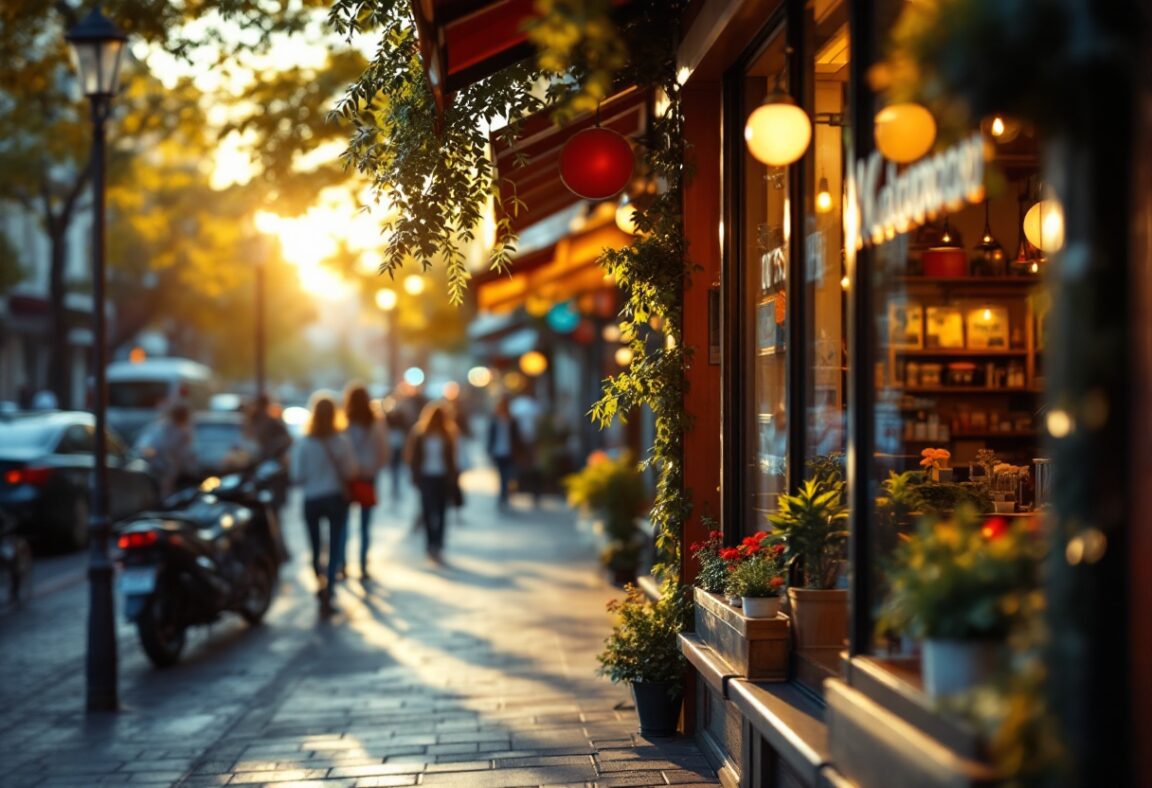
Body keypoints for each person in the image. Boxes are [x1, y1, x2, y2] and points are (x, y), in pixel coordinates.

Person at [290, 394, 357, 616]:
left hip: (312, 499)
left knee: (315, 546)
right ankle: (329, 587)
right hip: (335, 497)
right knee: (335, 545)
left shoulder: (304, 443)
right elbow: (350, 471)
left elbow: (297, 476)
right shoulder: (341, 441)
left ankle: (319, 583)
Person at [340, 384, 391, 580]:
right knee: (365, 524)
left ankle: (342, 564)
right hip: (368, 477)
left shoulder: (344, 423)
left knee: (343, 523)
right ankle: (362, 564)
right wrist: (374, 468)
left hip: (348, 478)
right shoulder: (376, 423)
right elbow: (383, 451)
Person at [404, 401, 459, 562]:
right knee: (428, 511)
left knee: (441, 512)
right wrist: (415, 475)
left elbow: (452, 459)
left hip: (442, 477)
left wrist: (453, 478)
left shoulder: (448, 435)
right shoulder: (420, 434)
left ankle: (438, 542)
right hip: (426, 477)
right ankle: (430, 543)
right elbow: (412, 457)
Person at [138, 403, 197, 498]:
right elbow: (145, 447)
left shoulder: (182, 432)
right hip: (157, 468)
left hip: (170, 471)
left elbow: (186, 455)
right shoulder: (160, 429)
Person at [487, 395, 522, 512]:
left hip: (510, 453)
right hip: (498, 452)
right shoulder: (495, 420)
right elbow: (490, 437)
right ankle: (503, 497)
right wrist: (489, 451)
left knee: (509, 476)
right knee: (502, 477)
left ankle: (505, 496)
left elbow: (517, 437)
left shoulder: (512, 420)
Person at [381, 395, 410, 503]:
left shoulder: (400, 415)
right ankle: (394, 488)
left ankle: (396, 487)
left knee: (397, 467)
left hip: (398, 443)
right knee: (394, 467)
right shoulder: (387, 416)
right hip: (392, 443)